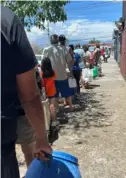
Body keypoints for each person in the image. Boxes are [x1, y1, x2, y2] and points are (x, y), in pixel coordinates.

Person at [1, 6, 52, 178]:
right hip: (13, 122)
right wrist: (42, 138)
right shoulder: (5, 19)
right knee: (29, 150)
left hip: (16, 118)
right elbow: (29, 95)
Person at [43, 34, 73, 111]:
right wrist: (69, 70)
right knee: (67, 92)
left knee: (54, 94)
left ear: (50, 41)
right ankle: (70, 107)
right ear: (58, 40)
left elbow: (43, 63)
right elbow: (70, 61)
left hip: (52, 76)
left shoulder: (46, 50)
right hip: (63, 75)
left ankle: (57, 109)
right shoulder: (64, 49)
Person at [41, 57, 56, 122]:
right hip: (52, 91)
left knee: (46, 107)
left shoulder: (42, 73)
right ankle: (54, 120)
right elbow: (55, 78)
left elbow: (41, 83)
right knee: (52, 106)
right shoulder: (53, 72)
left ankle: (48, 121)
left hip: (45, 92)